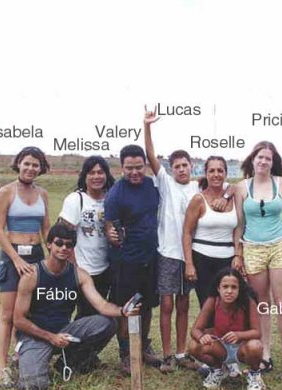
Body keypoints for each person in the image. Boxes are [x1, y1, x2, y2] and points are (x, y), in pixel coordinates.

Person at [13, 223, 140, 390]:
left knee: (107, 323)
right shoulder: (32, 275)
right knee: (33, 387)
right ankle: (27, 360)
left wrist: (122, 311)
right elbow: (19, 320)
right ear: (49, 244)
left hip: (64, 332)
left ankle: (69, 362)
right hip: (36, 335)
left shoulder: (79, 274)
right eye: (59, 243)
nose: (64, 248)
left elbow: (101, 305)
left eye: (69, 245)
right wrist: (50, 337)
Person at [234, 141, 282, 380]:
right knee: (262, 304)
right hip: (252, 248)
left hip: (280, 247)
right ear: (253, 160)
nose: (263, 161)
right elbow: (238, 224)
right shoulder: (241, 188)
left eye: (268, 158)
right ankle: (265, 354)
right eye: (260, 157)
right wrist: (239, 253)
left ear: (273, 162)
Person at [143, 106, 201, 373]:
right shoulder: (164, 183)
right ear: (171, 169)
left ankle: (181, 353)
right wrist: (147, 126)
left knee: (183, 304)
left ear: (191, 166)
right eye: (176, 166)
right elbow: (150, 155)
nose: (180, 169)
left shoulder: (197, 187)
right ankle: (167, 355)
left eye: (184, 165)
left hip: (191, 254)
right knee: (166, 304)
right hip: (167, 253)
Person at [0, 146, 51, 388]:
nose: (30, 168)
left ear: (41, 168)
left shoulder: (43, 194)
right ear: (18, 164)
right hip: (12, 255)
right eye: (27, 163)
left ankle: (21, 354)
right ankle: (1, 366)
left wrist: (54, 256)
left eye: (35, 165)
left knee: (27, 312)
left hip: (36, 255)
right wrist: (15, 259)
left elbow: (46, 228)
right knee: (7, 314)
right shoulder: (6, 192)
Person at [105, 144, 162, 375]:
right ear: (122, 167)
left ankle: (144, 344)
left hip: (152, 256)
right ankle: (126, 352)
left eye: (139, 167)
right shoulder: (115, 194)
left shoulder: (152, 185)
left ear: (146, 165)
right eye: (129, 168)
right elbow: (109, 226)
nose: (135, 172)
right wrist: (113, 236)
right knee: (128, 308)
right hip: (126, 261)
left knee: (147, 304)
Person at [189, 268, 265, 390]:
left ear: (239, 289)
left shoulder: (248, 302)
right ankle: (218, 370)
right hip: (220, 347)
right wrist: (202, 337)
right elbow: (195, 329)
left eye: (234, 287)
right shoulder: (213, 301)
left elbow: (257, 332)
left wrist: (239, 335)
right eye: (225, 287)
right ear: (218, 289)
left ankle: (255, 374)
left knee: (255, 345)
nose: (229, 291)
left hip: (242, 348)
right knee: (193, 346)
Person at [58, 156, 116, 319]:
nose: (97, 176)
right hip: (83, 269)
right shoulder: (76, 199)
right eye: (91, 173)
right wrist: (74, 268)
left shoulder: (111, 198)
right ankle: (70, 344)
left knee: (99, 315)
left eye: (100, 172)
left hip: (105, 268)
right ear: (84, 176)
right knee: (84, 314)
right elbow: (63, 237)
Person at [183, 156, 239, 307]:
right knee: (208, 306)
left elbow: (237, 230)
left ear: (226, 173)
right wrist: (189, 264)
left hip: (227, 260)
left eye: (220, 170)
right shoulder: (198, 200)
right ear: (206, 173)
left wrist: (238, 255)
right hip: (203, 259)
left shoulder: (234, 197)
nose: (216, 174)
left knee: (228, 306)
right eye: (211, 171)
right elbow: (187, 232)